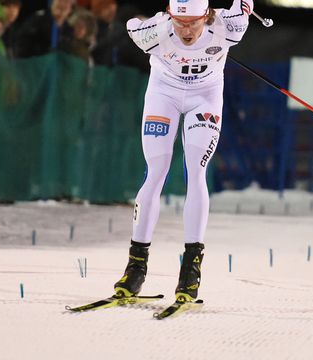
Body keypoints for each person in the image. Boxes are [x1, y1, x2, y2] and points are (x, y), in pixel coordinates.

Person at [113, 0, 253, 303]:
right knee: (156, 172)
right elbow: (130, 25)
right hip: (163, 95)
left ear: (206, 15)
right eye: (179, 22)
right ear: (170, 15)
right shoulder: (156, 31)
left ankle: (190, 270)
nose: (186, 30)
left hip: (205, 98)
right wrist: (139, 21)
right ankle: (136, 266)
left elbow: (243, 7)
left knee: (196, 170)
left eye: (193, 23)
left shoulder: (229, 27)